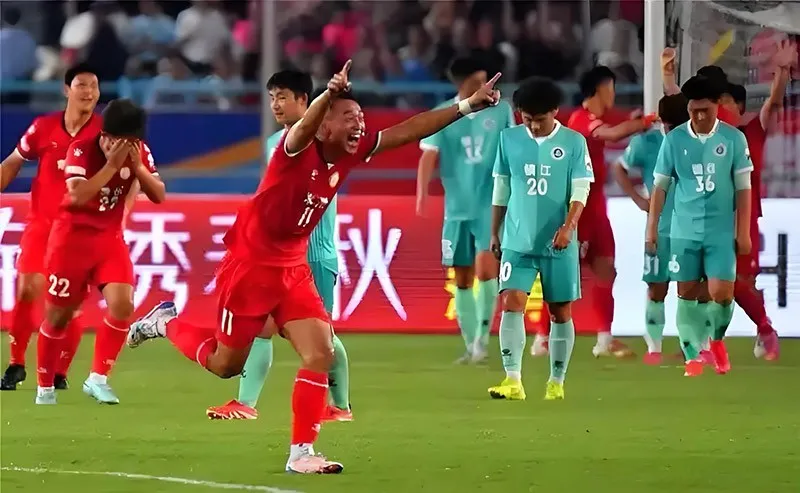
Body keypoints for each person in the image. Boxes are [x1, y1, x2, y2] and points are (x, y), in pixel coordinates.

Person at [127, 61, 502, 474]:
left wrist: (467, 106)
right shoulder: (294, 148)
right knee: (224, 364)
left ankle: (301, 453)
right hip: (251, 266)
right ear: (324, 125)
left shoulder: (351, 150)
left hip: (292, 266)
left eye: (360, 117)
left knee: (320, 351)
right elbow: (304, 127)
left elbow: (410, 129)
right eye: (348, 118)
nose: (359, 125)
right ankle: (164, 323)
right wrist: (327, 94)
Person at [206, 70, 353, 422]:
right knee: (262, 327)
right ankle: (246, 403)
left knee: (323, 335)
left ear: (305, 100)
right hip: (283, 256)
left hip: (314, 253)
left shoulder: (325, 138)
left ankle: (341, 406)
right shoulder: (277, 141)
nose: (275, 104)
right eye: (272, 97)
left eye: (283, 97)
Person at [36, 99, 165, 405]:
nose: (120, 149)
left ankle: (98, 378)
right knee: (58, 317)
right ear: (104, 136)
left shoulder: (139, 153)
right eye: (115, 142)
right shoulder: (80, 150)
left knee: (122, 303)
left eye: (129, 143)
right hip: (71, 242)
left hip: (109, 240)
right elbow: (78, 195)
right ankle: (45, 387)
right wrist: (111, 166)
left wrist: (137, 167)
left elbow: (159, 195)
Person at [486, 77, 593, 401]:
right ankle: (512, 380)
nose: (532, 125)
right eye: (526, 118)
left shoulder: (573, 143)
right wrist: (494, 230)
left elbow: (581, 189)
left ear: (555, 111)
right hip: (517, 238)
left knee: (559, 311)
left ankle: (556, 382)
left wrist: (569, 227)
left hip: (558, 240)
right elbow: (502, 186)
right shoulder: (508, 139)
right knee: (511, 302)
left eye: (539, 119)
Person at [0, 65, 104, 392]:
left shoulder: (105, 133)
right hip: (42, 224)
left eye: (94, 86)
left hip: (80, 231)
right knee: (27, 288)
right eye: (81, 85)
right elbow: (14, 161)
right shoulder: (43, 127)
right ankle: (16, 364)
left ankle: (59, 372)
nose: (88, 92)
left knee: (68, 304)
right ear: (66, 90)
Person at [647, 75, 753, 377]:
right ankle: (692, 356)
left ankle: (717, 340)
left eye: (705, 110)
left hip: (720, 231)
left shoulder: (733, 139)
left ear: (717, 106)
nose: (699, 116)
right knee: (686, 292)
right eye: (694, 111)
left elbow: (743, 188)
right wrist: (651, 227)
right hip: (684, 230)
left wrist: (743, 230)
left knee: (722, 293)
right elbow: (660, 187)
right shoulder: (674, 140)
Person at [417, 57, 515, 363]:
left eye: (487, 80)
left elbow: (513, 147)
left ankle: (482, 341)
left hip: (490, 203)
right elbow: (428, 155)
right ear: (462, 83)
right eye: (478, 81)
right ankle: (471, 344)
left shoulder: (501, 110)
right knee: (461, 277)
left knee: (487, 271)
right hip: (457, 206)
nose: (486, 86)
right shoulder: (443, 114)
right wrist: (421, 195)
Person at [567, 65, 656, 357]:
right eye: (612, 88)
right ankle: (543, 336)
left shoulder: (594, 119)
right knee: (564, 275)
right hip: (578, 209)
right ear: (601, 89)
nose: (614, 94)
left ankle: (605, 340)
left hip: (596, 208)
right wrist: (645, 121)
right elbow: (614, 134)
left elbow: (617, 127)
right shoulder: (580, 120)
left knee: (607, 270)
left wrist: (636, 122)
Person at [725, 41, 795, 361]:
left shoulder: (752, 131)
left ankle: (764, 328)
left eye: (726, 102)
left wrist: (781, 70)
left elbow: (774, 102)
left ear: (739, 107)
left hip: (745, 216)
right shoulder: (706, 138)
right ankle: (706, 342)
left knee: (742, 281)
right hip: (709, 216)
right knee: (710, 281)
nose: (719, 109)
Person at [613, 94, 691, 365]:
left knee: (690, 289)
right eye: (668, 124)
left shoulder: (696, 143)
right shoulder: (647, 142)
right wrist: (638, 199)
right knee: (657, 288)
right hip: (659, 227)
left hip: (691, 228)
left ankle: (693, 347)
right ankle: (655, 348)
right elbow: (619, 167)